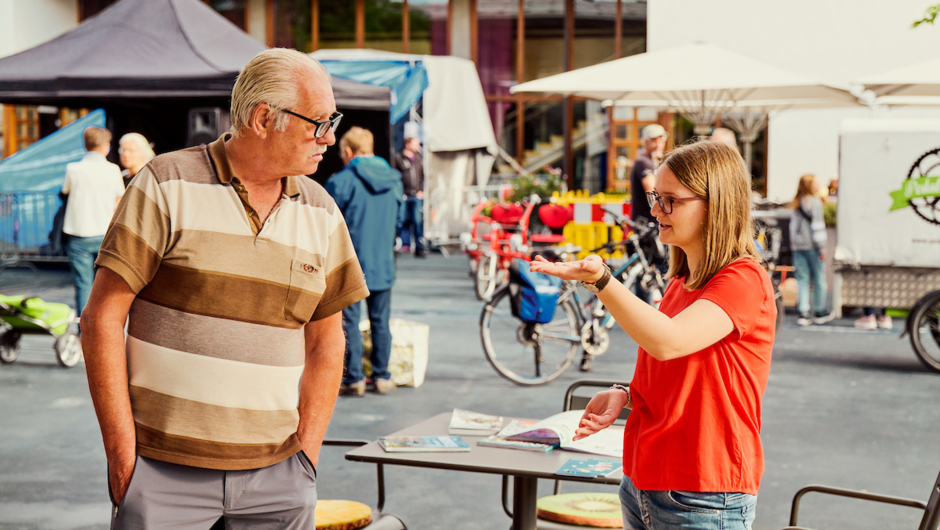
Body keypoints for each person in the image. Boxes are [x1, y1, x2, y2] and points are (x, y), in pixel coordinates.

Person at [80, 49, 369, 528]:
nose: (331, 136)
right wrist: (122, 456)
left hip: (279, 478)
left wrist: (306, 458)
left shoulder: (321, 210)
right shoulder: (165, 184)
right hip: (162, 473)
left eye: (332, 120)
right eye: (319, 121)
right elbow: (101, 318)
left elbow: (327, 340)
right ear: (262, 118)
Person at [530, 140, 775, 530]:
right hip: (646, 481)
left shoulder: (742, 279)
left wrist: (602, 280)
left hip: (703, 490)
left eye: (670, 200)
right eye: (655, 197)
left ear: (716, 204)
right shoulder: (683, 280)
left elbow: (668, 341)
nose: (656, 210)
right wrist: (627, 394)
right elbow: (681, 369)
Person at [326, 127, 404, 397]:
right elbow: (398, 221)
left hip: (350, 264)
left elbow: (327, 226)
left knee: (349, 322)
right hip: (383, 262)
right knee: (381, 321)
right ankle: (382, 376)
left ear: (348, 152)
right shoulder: (394, 180)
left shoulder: (341, 181)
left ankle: (354, 379)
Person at [61, 126, 125, 317]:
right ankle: (103, 325)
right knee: (106, 286)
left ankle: (84, 329)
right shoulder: (113, 170)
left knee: (83, 284)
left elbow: (66, 191)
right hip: (105, 234)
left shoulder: (73, 169)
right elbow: (118, 201)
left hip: (78, 233)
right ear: (106, 146)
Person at [789, 173, 834, 326]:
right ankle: (819, 311)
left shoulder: (796, 203)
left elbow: (792, 228)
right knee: (819, 279)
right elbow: (818, 227)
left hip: (799, 247)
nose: (818, 184)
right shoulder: (815, 203)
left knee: (802, 280)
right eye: (815, 182)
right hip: (814, 247)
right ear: (809, 185)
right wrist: (822, 248)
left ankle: (803, 312)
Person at [392, 136, 426, 257]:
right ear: (407, 144)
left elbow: (423, 176)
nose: (418, 146)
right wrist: (400, 192)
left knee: (417, 221)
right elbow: (395, 176)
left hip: (416, 195)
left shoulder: (419, 158)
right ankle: (395, 246)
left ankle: (419, 247)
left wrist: (421, 190)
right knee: (400, 221)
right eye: (415, 144)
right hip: (404, 195)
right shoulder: (398, 158)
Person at [629, 124, 667, 225]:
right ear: (644, 141)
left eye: (661, 141)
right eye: (654, 141)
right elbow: (653, 191)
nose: (658, 145)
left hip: (648, 221)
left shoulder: (653, 161)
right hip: (646, 223)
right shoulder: (643, 162)